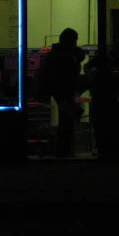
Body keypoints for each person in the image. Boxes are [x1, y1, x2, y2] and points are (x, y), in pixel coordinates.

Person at [42, 27, 86, 158]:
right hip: (64, 90)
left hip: (59, 90)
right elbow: (79, 57)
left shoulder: (55, 54)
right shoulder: (65, 55)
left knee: (65, 120)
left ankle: (63, 150)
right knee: (66, 121)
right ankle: (64, 150)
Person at [83, 38, 119, 158]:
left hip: (105, 95)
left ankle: (102, 146)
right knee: (101, 122)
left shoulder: (109, 59)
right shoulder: (109, 60)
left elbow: (87, 67)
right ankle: (102, 146)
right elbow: (87, 67)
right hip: (104, 95)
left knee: (103, 122)